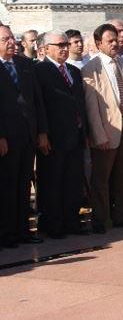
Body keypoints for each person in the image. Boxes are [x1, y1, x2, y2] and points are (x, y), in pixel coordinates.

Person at [82, 23, 123, 234]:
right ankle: (101, 220)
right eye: (110, 41)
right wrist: (98, 135)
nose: (115, 44)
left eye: (116, 40)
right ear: (99, 43)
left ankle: (122, 216)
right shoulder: (91, 68)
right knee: (101, 179)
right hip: (106, 129)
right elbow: (92, 107)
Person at [34, 30, 88, 238]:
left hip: (75, 134)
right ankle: (52, 224)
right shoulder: (40, 70)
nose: (65, 48)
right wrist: (42, 133)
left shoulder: (73, 71)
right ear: (46, 49)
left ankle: (71, 221)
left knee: (72, 181)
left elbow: (80, 104)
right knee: (52, 182)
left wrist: (84, 131)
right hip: (53, 137)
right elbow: (39, 105)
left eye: (66, 44)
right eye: (60, 45)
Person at [0, 25, 47, 247]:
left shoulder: (25, 65)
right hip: (6, 138)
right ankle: (7, 233)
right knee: (7, 187)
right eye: (5, 39)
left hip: (28, 136)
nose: (11, 42)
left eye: (12, 38)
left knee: (23, 186)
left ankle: (23, 230)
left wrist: (42, 132)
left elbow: (37, 101)